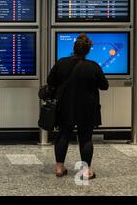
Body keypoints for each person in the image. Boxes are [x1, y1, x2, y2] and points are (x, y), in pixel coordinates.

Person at [47, 33, 109, 179]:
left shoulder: (61, 63)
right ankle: (86, 171)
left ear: (74, 48)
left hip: (64, 107)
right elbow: (104, 86)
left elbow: (51, 81)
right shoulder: (93, 66)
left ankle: (59, 168)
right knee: (86, 138)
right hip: (87, 109)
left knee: (63, 135)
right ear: (88, 50)